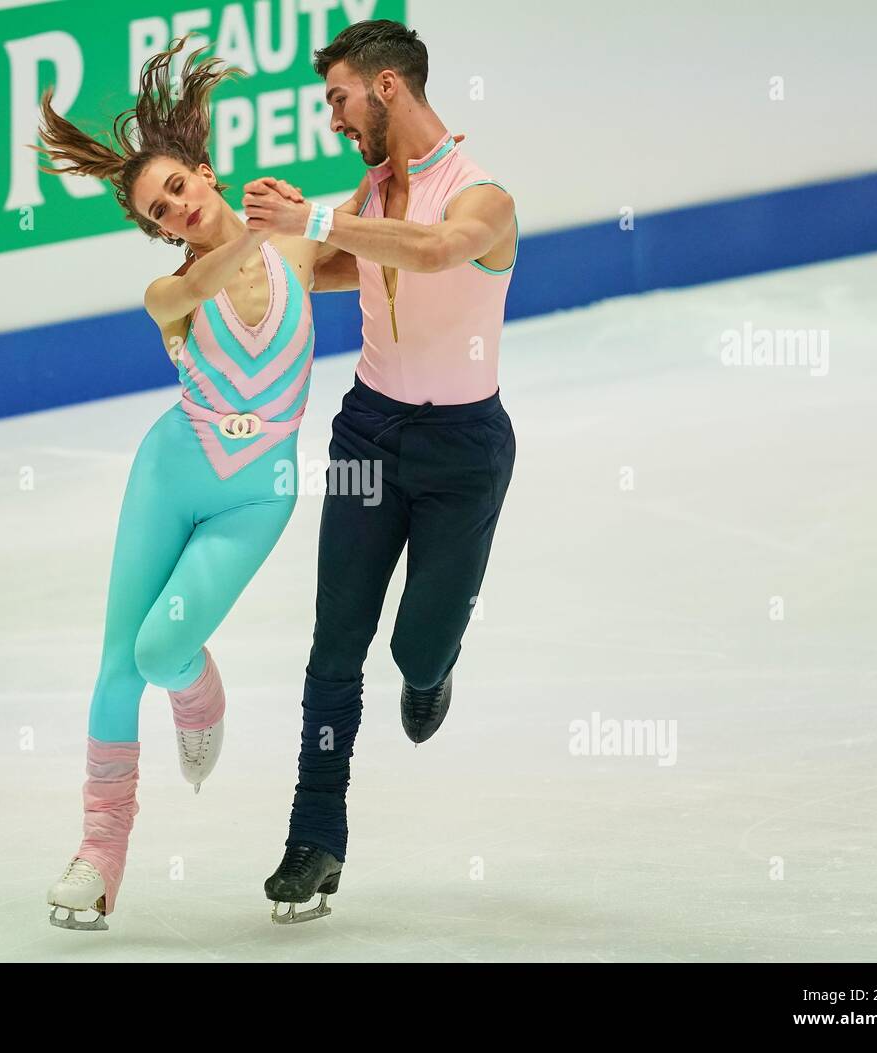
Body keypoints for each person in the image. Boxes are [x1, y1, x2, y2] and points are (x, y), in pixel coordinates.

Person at [33, 36, 349, 930]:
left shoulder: (295, 256)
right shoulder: (167, 294)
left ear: (204, 172)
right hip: (171, 472)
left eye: (176, 185)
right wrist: (265, 224)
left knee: (159, 650)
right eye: (156, 211)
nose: (173, 207)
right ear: (160, 231)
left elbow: (379, 254)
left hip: (257, 492)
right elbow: (209, 277)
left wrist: (320, 217)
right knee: (113, 664)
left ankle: (196, 688)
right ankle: (99, 858)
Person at [242, 19, 520, 922]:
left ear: (388, 87)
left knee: (414, 645)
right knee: (335, 641)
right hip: (367, 438)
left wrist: (319, 219)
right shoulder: (364, 198)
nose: (332, 117)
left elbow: (439, 250)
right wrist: (231, 241)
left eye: (338, 97)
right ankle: (313, 835)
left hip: (462, 453)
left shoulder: (483, 196)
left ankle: (431, 666)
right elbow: (307, 269)